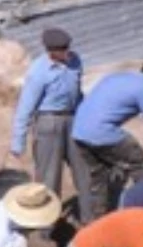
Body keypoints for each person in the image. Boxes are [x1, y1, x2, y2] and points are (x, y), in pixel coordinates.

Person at [72, 57, 143, 221]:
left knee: (98, 177)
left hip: (78, 131)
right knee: (139, 162)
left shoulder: (120, 77)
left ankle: (95, 223)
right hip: (100, 131)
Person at [9, 28, 87, 214]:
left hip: (73, 119)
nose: (67, 52)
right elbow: (25, 108)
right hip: (48, 122)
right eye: (62, 50)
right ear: (51, 51)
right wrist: (18, 142)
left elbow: (78, 93)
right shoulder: (38, 72)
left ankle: (89, 217)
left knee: (85, 170)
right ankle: (47, 226)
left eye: (67, 47)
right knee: (49, 177)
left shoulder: (75, 62)